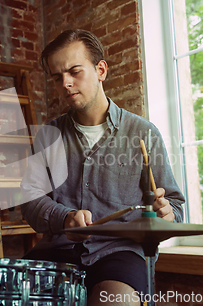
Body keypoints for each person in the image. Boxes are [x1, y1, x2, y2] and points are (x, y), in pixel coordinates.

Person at [20, 29, 185, 306]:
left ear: (101, 70)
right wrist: (64, 217)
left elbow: (176, 207)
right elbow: (30, 202)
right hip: (58, 250)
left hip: (120, 254)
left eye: (74, 71)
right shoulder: (48, 135)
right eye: (57, 77)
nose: (66, 83)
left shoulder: (144, 133)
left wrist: (167, 215)